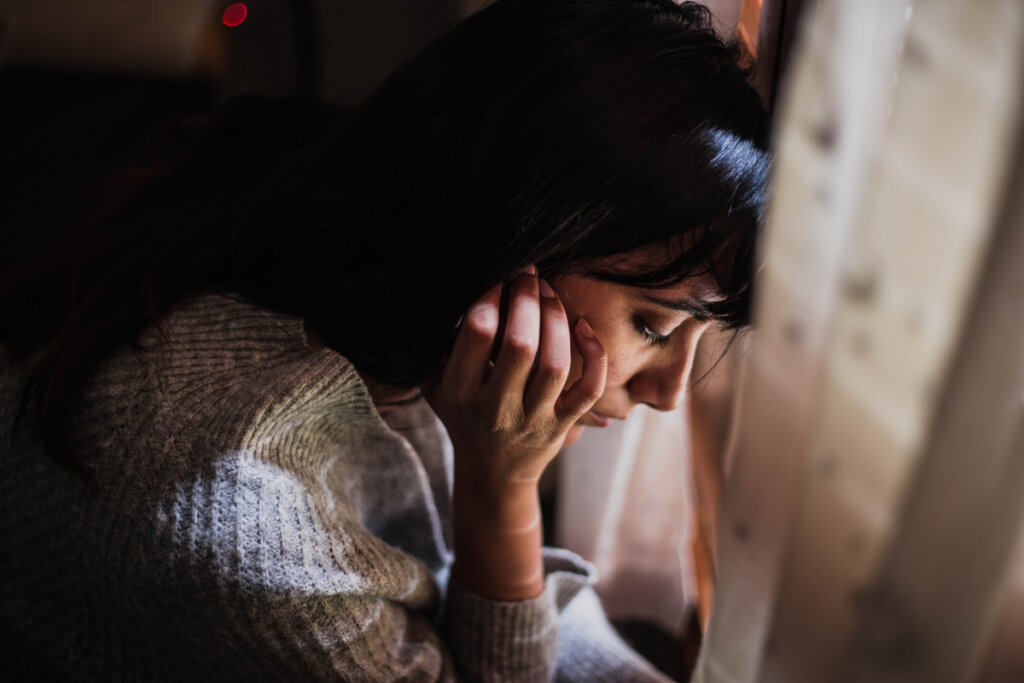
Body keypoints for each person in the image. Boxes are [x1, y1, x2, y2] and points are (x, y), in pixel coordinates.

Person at [0, 0, 770, 680]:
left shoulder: (400, 290)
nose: (668, 393)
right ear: (513, 235)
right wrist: (499, 494)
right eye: (654, 325)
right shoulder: (244, 520)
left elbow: (502, 599)